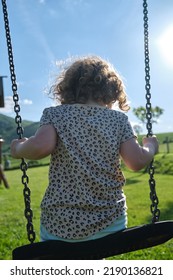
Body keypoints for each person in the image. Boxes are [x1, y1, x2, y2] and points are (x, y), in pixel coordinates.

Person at [11, 55, 159, 243]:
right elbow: (136, 161)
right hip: (110, 222)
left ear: (67, 88)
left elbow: (40, 147)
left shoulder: (55, 114)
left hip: (59, 224)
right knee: (98, 251)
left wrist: (18, 148)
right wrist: (150, 147)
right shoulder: (118, 120)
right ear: (112, 90)